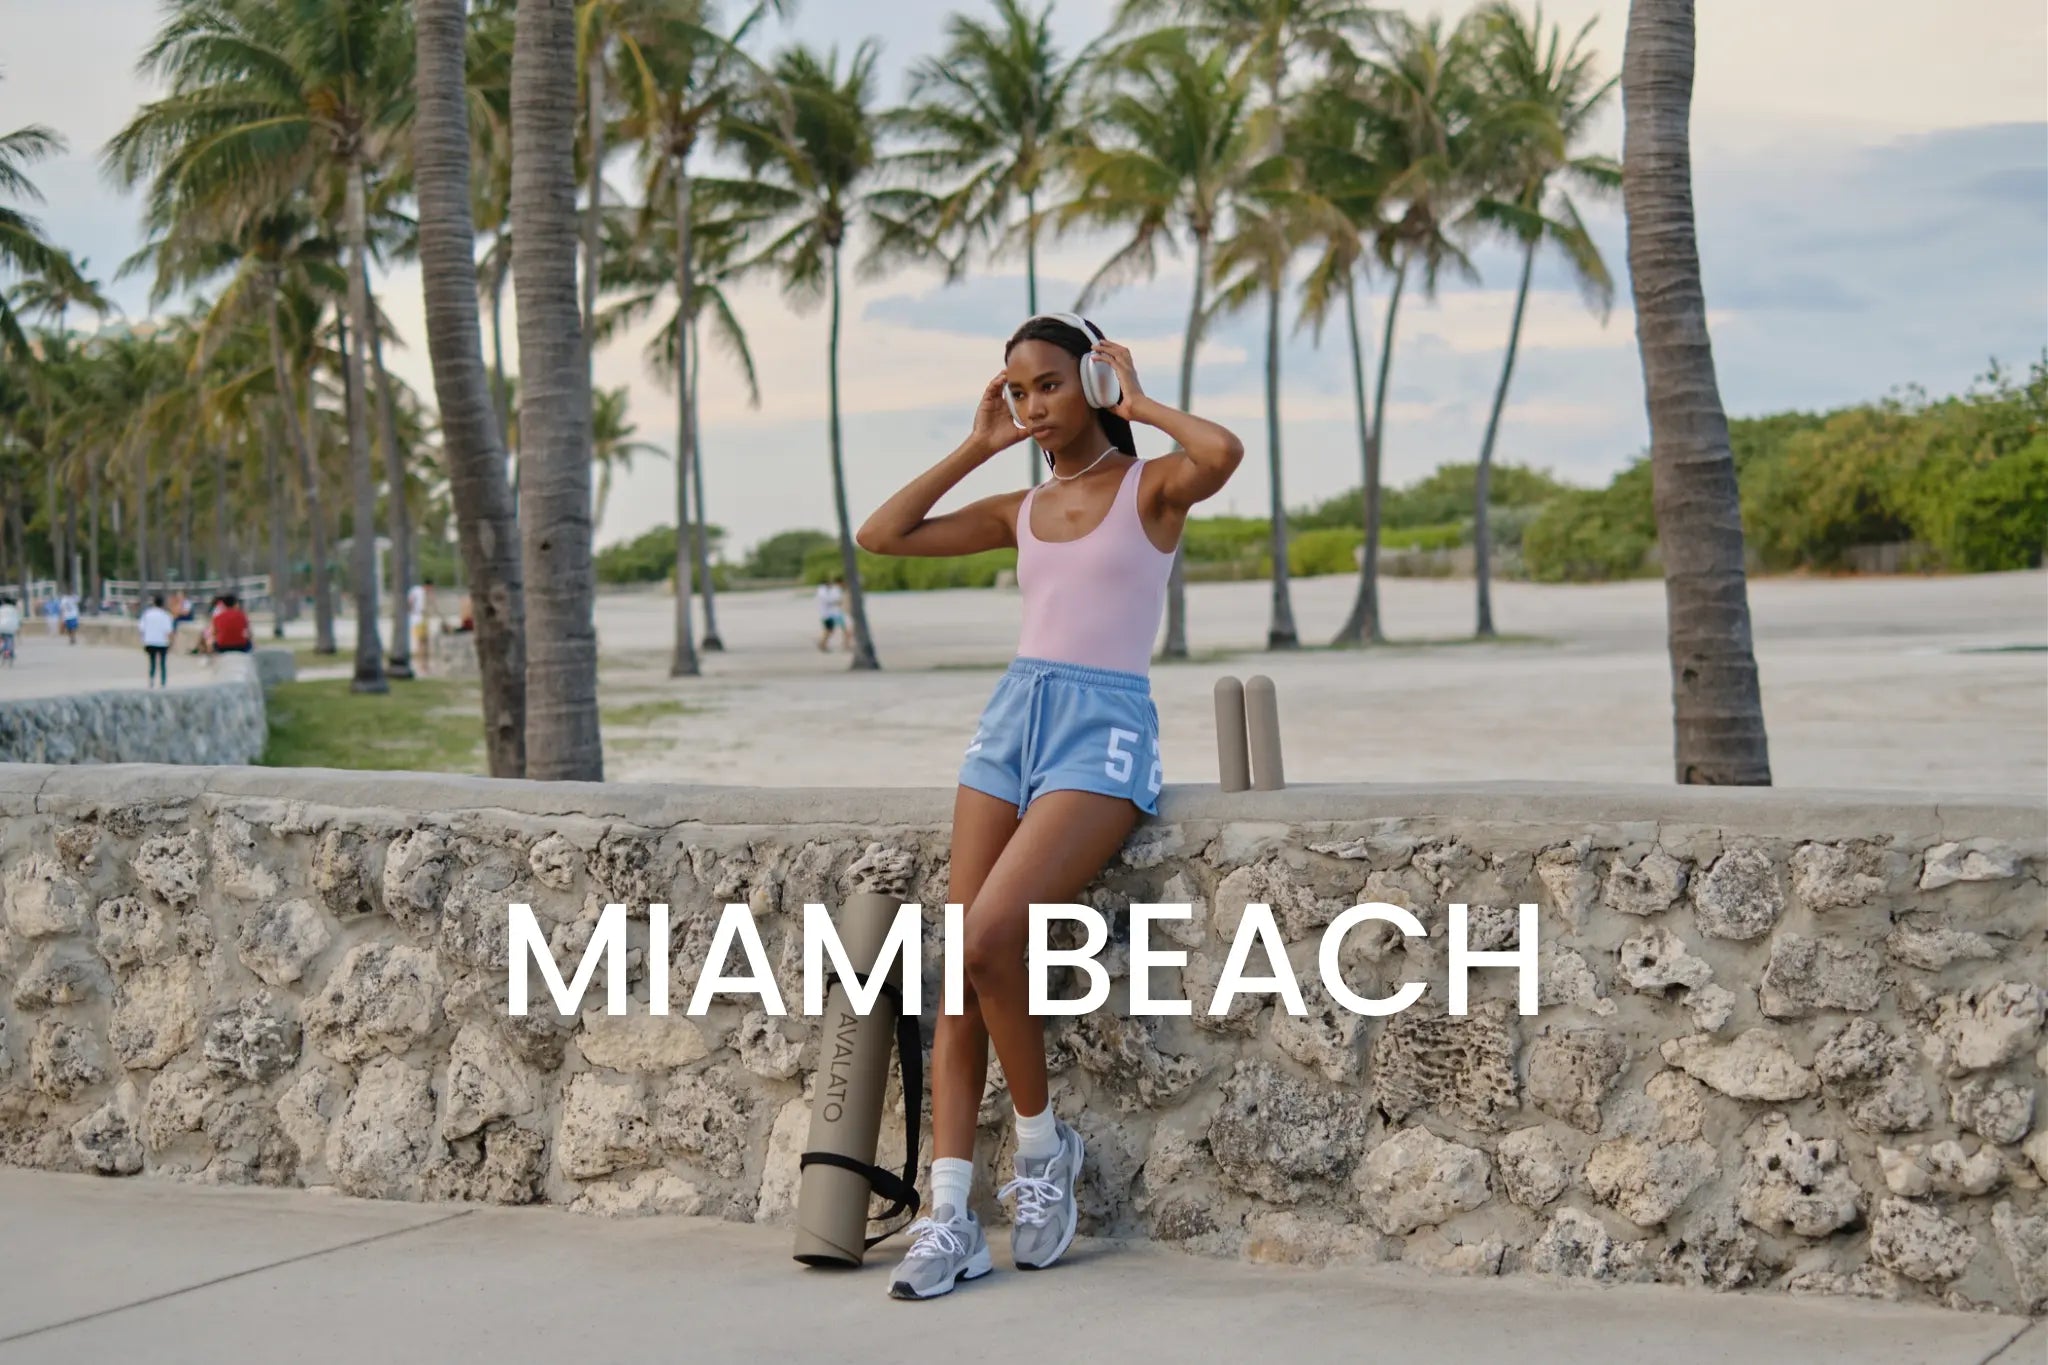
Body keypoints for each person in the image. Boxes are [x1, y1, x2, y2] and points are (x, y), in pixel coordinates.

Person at [855, 313, 1243, 1300]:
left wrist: (1137, 401)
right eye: (1016, 390)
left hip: (1102, 732)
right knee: (960, 976)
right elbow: (880, 535)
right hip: (1008, 725)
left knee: (990, 940)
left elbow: (1222, 452)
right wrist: (974, 444)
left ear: (1092, 385)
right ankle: (949, 1219)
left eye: (1047, 387)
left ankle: (1039, 1151)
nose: (1030, 407)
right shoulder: (1017, 507)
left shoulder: (1150, 489)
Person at [139, 594, 176, 687]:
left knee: (152, 662)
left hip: (150, 641)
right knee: (162, 663)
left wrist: (143, 641)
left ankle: (151, 679)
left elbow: (142, 629)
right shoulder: (166, 615)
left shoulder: (147, 614)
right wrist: (171, 643)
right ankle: (163, 682)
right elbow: (169, 631)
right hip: (162, 642)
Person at [815, 575, 846, 652]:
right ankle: (822, 644)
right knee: (829, 630)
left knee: (829, 630)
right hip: (828, 614)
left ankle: (822, 644)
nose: (830, 584)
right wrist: (837, 601)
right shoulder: (823, 591)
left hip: (828, 614)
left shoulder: (825, 590)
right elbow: (829, 600)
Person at [0, 596, 19, 665]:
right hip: (11, 627)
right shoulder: (13, 609)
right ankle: (10, 652)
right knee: (10, 639)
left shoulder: (1, 608)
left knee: (2, 638)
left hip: (1, 626)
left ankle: (2, 647)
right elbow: (17, 619)